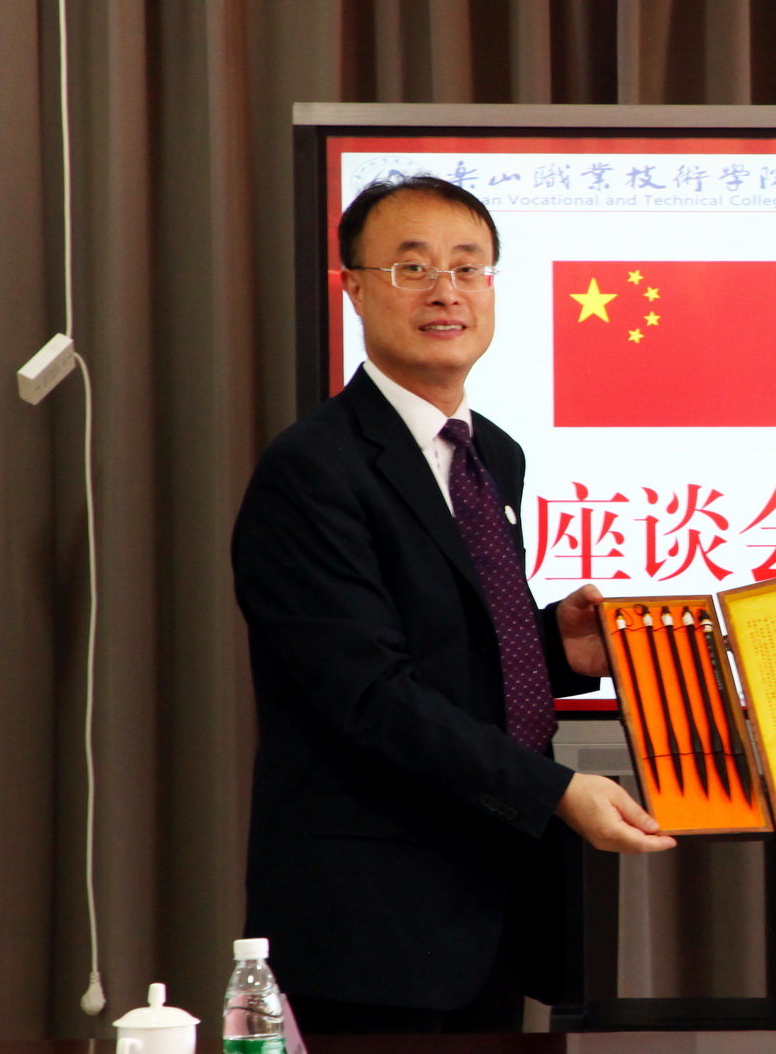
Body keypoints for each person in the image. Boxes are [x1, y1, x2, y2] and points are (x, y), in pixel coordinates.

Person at [231, 175, 675, 1035]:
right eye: (413, 267)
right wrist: (554, 790)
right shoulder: (312, 468)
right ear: (354, 289)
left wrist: (557, 647)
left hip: (492, 896)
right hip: (373, 918)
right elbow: (368, 692)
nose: (446, 291)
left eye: (469, 267)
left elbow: (451, 647)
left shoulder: (491, 454)